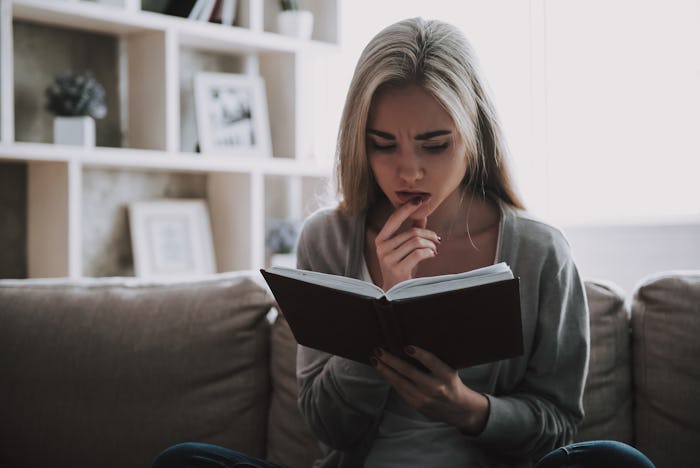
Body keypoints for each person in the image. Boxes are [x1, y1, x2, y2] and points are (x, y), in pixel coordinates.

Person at [152, 17, 655, 468]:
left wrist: (469, 408)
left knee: (616, 462)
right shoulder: (327, 239)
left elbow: (558, 426)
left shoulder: (541, 252)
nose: (408, 170)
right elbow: (327, 428)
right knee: (184, 462)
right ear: (358, 139)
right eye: (382, 144)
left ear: (473, 134)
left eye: (435, 145)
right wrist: (380, 311)